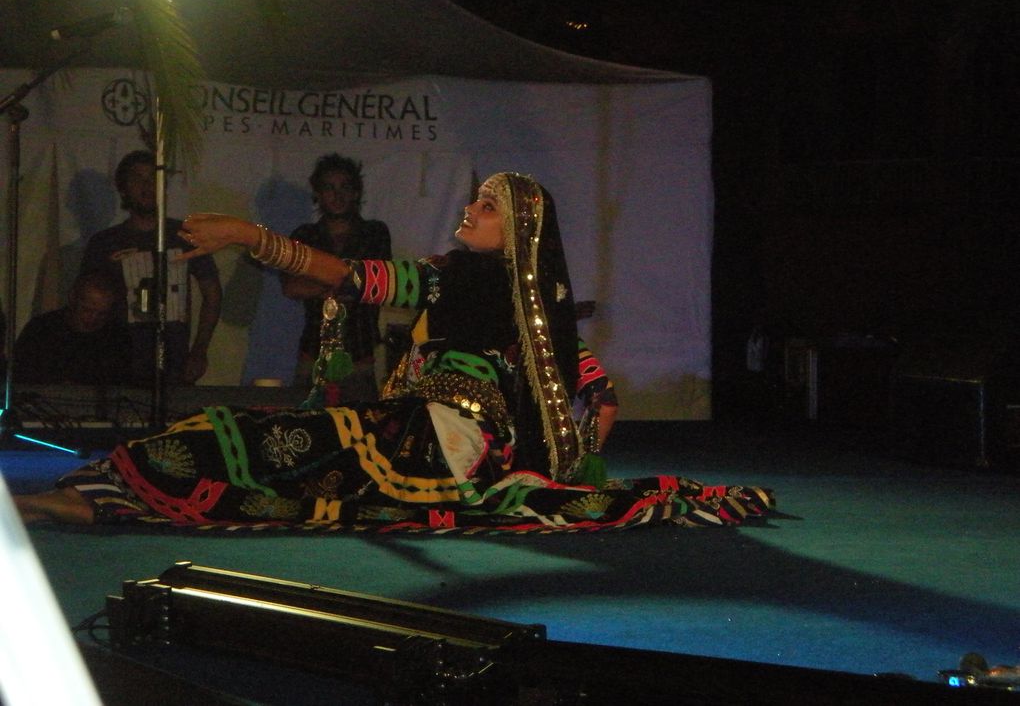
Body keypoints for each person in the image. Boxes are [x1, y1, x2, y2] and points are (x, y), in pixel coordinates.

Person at [15, 173, 774, 532]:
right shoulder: (453, 279)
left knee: (261, 443)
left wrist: (251, 237)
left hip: (444, 442)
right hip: (410, 428)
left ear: (517, 229)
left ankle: (99, 502)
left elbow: (599, 396)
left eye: (484, 208)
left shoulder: (526, 309)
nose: (466, 214)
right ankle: (102, 494)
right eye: (471, 200)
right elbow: (359, 280)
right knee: (231, 434)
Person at [80, 150, 222, 386]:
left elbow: (212, 293)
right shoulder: (104, 243)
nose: (147, 186)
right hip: (116, 362)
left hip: (174, 362)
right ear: (123, 188)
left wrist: (199, 349)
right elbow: (85, 302)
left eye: (153, 179)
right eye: (138, 179)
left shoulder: (185, 236)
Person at [283, 153, 391, 399]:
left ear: (356, 193)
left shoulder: (374, 233)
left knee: (360, 432)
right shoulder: (305, 235)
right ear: (318, 194)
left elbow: (372, 285)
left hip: (360, 353)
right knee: (306, 430)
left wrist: (321, 283)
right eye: (329, 188)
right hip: (313, 352)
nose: (337, 195)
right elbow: (291, 287)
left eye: (345, 187)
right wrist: (342, 284)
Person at [12, 271, 131, 386]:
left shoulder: (116, 338)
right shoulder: (42, 329)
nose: (93, 318)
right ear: (73, 298)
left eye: (102, 314)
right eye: (87, 310)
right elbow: (19, 375)